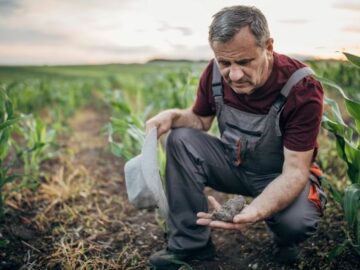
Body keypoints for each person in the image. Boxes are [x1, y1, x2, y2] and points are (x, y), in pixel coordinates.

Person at [146, 5, 326, 269]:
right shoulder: (214, 73)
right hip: (234, 164)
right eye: (225, 63)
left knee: (297, 224)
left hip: (279, 175)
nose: (234, 74)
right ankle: (190, 247)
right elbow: (200, 120)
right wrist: (173, 116)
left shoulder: (301, 88)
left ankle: (283, 238)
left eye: (244, 62)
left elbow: (295, 172)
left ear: (268, 46)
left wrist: (256, 211)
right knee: (180, 138)